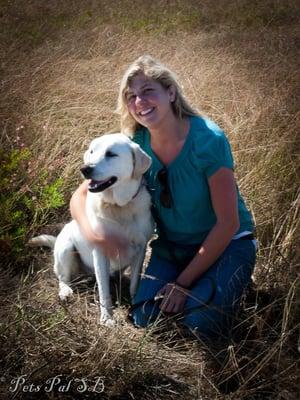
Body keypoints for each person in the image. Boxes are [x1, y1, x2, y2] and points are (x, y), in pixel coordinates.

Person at [70, 55, 256, 339]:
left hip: (226, 245)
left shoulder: (209, 140)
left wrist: (181, 284)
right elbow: (81, 195)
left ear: (170, 92)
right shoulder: (135, 144)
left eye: (147, 91)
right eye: (131, 96)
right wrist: (94, 235)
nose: (139, 102)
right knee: (145, 319)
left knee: (201, 324)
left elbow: (228, 224)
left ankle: (230, 280)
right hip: (173, 249)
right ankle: (209, 286)